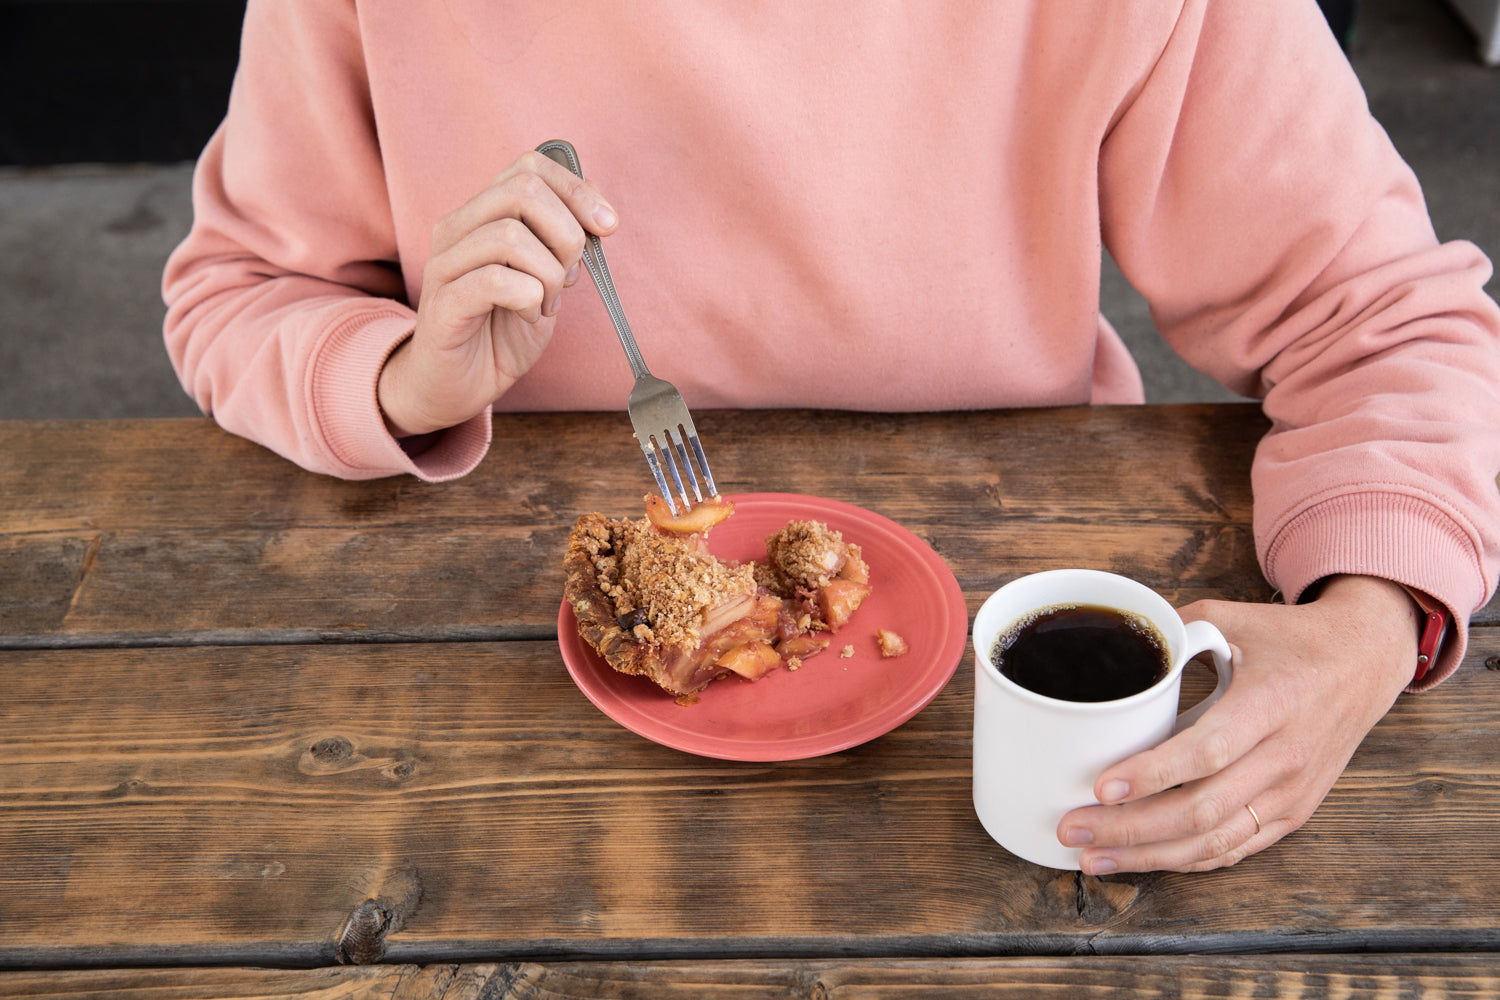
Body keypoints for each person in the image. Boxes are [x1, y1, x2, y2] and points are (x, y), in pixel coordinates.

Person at [162, 1, 1500, 875]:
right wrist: (406, 372)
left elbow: (1382, 313)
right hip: (472, 760)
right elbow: (236, 292)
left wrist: (1372, 623)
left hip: (1012, 754)